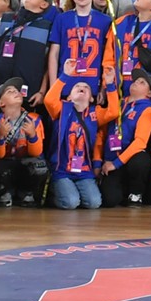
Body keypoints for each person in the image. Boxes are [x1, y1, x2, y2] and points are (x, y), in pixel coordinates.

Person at [96, 71, 151, 206]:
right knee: (110, 200)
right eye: (136, 80)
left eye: (142, 82)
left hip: (127, 160)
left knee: (140, 160)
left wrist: (116, 163)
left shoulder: (147, 109)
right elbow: (103, 131)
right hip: (111, 159)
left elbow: (140, 142)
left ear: (149, 93)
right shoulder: (119, 102)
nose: (136, 82)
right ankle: (122, 191)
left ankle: (136, 193)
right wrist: (102, 160)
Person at [43, 79, 103, 210]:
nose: (82, 87)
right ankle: (54, 193)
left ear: (91, 98)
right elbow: (48, 100)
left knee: (94, 202)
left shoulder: (95, 113)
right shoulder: (61, 109)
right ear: (69, 97)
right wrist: (65, 76)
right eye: (77, 86)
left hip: (84, 170)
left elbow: (113, 112)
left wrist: (109, 85)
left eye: (86, 87)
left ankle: (70, 191)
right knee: (71, 202)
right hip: (61, 169)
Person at [0, 80, 47, 207]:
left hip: (25, 163)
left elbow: (36, 152)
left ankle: (26, 192)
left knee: (40, 165)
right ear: (1, 103)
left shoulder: (34, 119)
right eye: (10, 92)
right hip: (6, 163)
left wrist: (32, 136)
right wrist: (0, 137)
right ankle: (5, 192)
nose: (15, 92)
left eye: (16, 91)